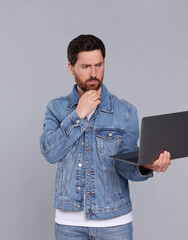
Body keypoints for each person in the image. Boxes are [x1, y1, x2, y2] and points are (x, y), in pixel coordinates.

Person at [39, 34, 171, 240]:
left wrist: (146, 166)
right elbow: (50, 153)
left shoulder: (125, 111)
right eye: (85, 67)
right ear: (71, 68)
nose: (94, 73)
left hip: (114, 223)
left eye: (98, 65)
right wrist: (78, 115)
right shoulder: (56, 109)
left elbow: (123, 165)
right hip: (69, 225)